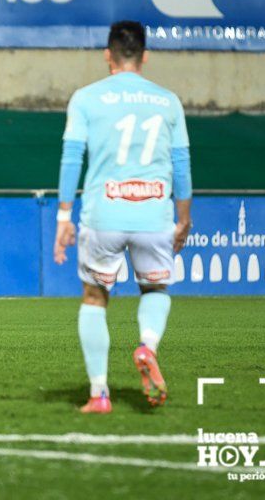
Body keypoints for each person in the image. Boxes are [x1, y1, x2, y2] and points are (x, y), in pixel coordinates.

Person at [53, 21, 192, 414]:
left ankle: (99, 395)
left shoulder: (86, 98)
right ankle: (147, 345)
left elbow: (71, 158)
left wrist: (64, 215)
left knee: (95, 298)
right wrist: (184, 217)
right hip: (155, 212)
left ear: (107, 55)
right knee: (155, 290)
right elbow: (181, 164)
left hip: (104, 213)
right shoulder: (168, 101)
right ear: (145, 56)